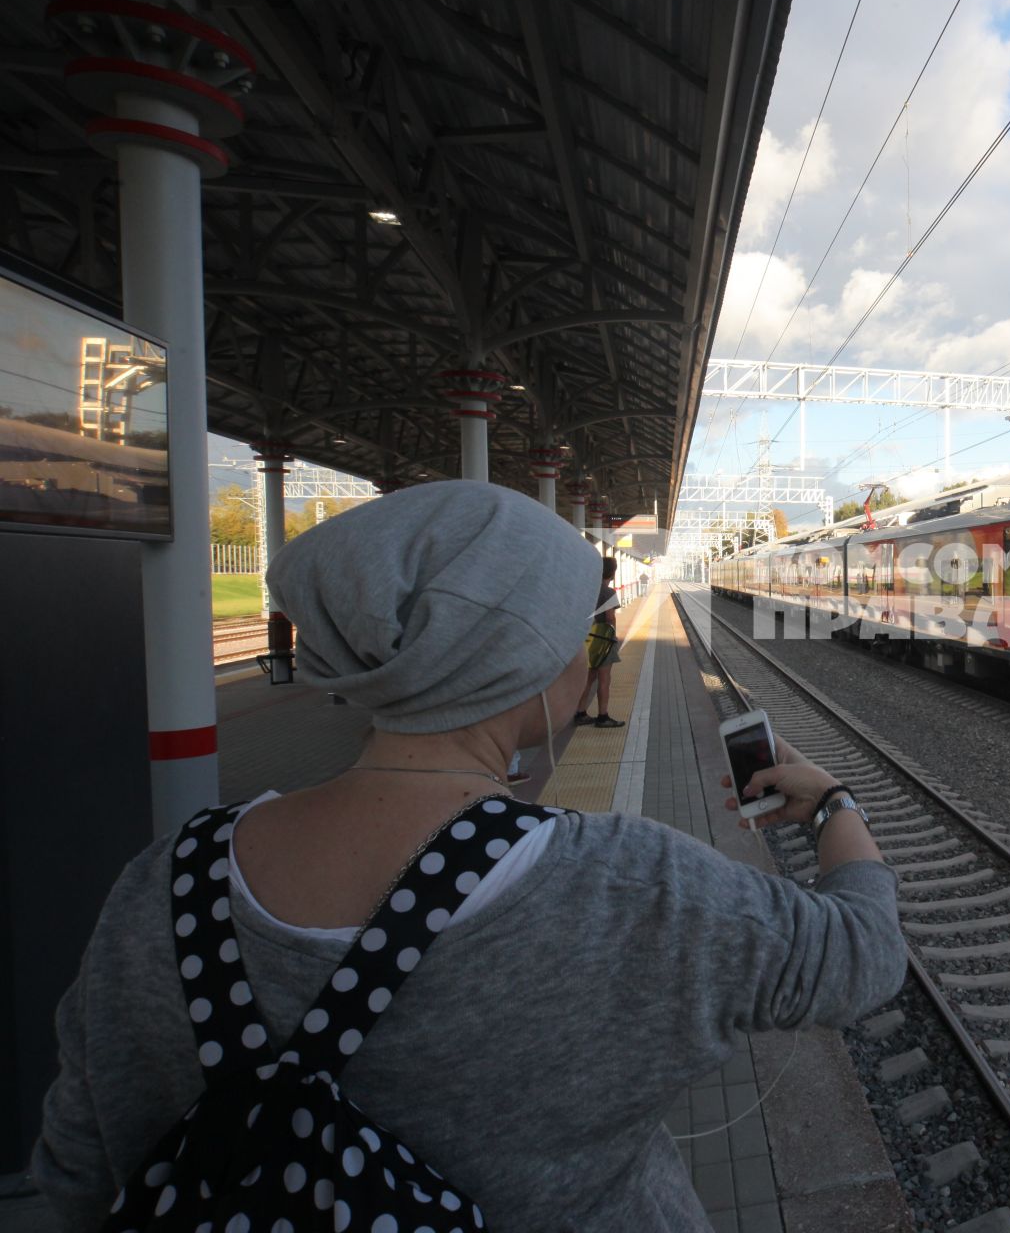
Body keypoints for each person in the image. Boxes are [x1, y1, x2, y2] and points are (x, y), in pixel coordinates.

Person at [31, 480, 905, 1231]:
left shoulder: (162, 883)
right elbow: (863, 955)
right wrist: (830, 802)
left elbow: (78, 1170)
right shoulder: (634, 885)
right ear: (526, 660)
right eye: (583, 623)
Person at [575, 554, 625, 728]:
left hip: (587, 638)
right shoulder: (609, 592)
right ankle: (603, 716)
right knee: (604, 679)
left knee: (588, 678)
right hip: (602, 638)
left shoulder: (587, 589)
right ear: (612, 574)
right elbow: (610, 617)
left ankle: (580, 713)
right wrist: (613, 636)